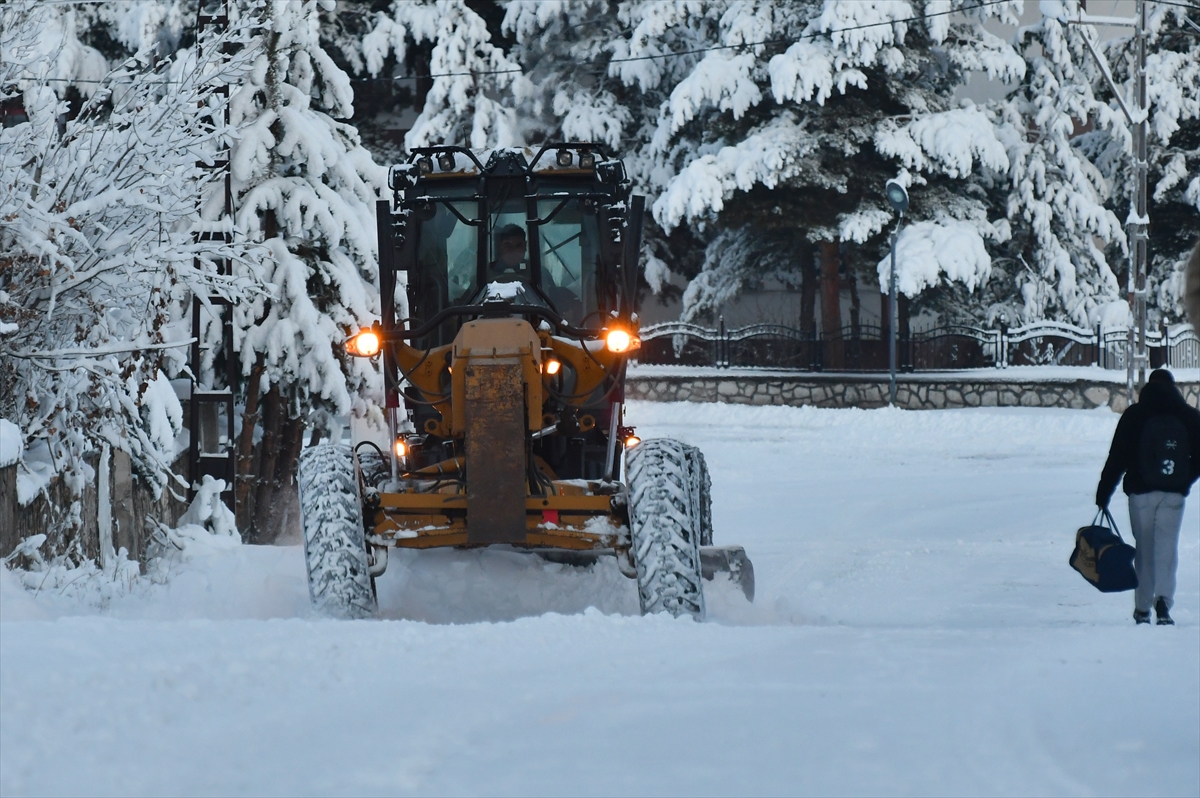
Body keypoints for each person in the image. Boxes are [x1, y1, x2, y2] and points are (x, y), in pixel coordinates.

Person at [1096, 369, 1200, 625]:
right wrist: (1184, 481)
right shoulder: (1189, 416)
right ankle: (1163, 601)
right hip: (1173, 494)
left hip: (1140, 494)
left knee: (1144, 548)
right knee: (1167, 548)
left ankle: (1143, 607)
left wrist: (1104, 492)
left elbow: (1117, 457)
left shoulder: (1135, 415)